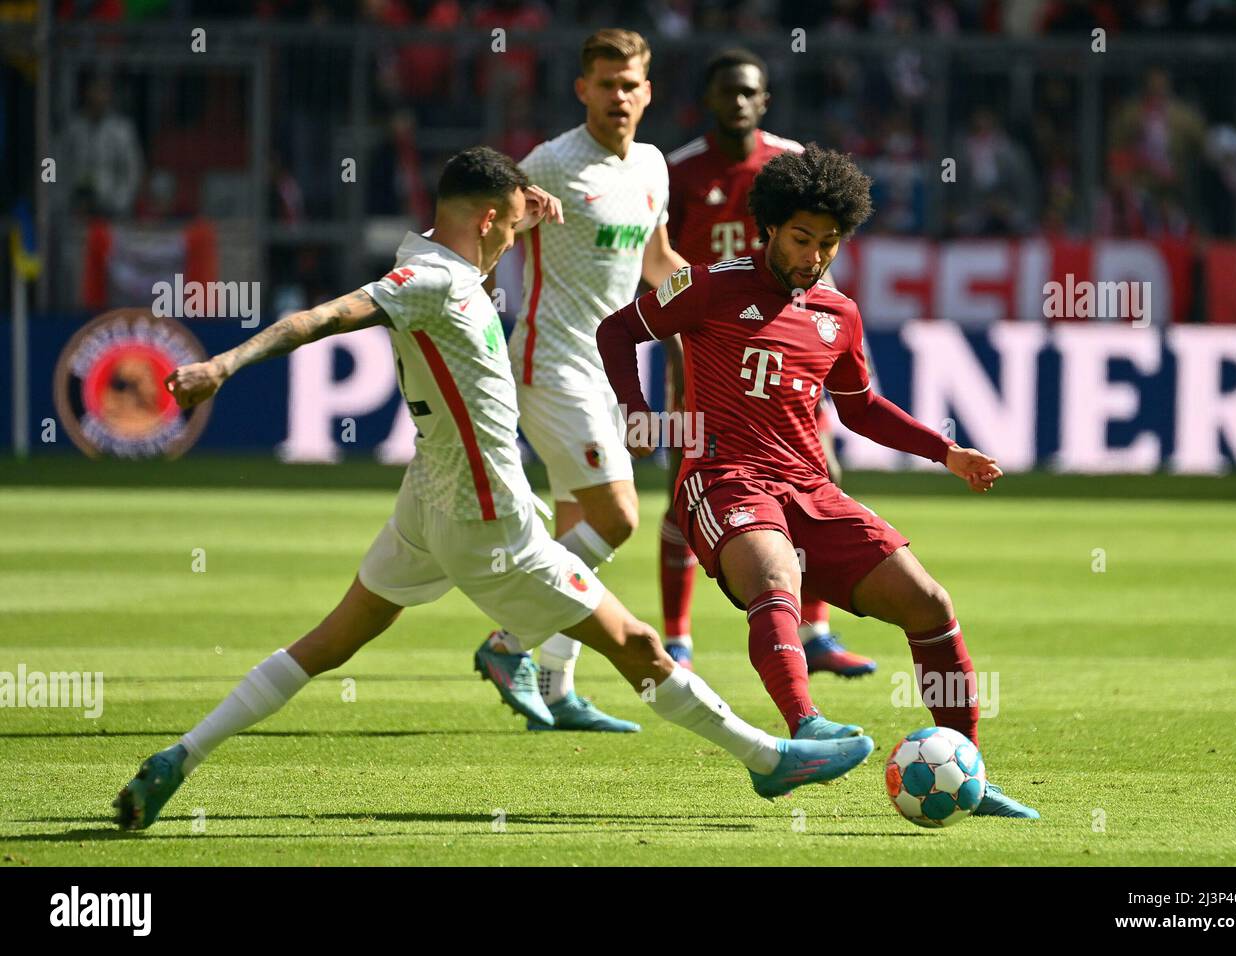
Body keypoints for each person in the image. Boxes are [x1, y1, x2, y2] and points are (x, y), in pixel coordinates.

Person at [112, 147, 873, 831]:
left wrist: (528, 204)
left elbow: (475, 237)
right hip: (489, 521)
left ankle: (180, 756)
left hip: (426, 502)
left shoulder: (442, 256)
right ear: (484, 220)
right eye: (511, 225)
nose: (519, 237)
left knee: (329, 642)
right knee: (635, 643)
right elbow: (323, 316)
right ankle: (768, 760)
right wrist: (222, 366)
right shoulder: (431, 282)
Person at [596, 143, 1039, 818]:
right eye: (802, 238)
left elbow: (860, 408)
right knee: (774, 581)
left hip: (810, 488)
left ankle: (966, 770)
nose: (813, 255)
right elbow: (617, 331)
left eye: (829, 243)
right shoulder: (710, 285)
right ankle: (805, 729)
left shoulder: (838, 314)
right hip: (723, 480)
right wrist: (638, 415)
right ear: (768, 226)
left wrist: (945, 452)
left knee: (930, 605)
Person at [485, 28, 691, 732]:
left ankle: (557, 685)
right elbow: (484, 228)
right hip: (549, 363)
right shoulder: (552, 162)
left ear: (648, 90)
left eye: (630, 84)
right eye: (605, 84)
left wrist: (717, 299)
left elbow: (657, 261)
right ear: (583, 90)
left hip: (607, 372)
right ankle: (507, 640)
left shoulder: (655, 167)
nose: (619, 97)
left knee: (579, 529)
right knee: (618, 517)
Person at [660, 47, 875, 677]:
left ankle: (816, 630)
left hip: (785, 347)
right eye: (727, 92)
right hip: (702, 349)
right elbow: (657, 261)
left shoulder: (791, 163)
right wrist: (676, 348)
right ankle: (678, 638)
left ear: (764, 100)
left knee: (820, 478)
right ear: (709, 100)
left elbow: (821, 256)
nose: (739, 102)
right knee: (685, 490)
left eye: (749, 92)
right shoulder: (679, 172)